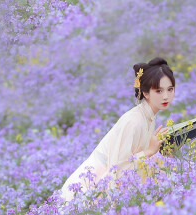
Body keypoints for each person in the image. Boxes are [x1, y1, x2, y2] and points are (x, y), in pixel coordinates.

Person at [60, 57, 176, 204]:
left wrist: (160, 148)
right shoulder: (134, 121)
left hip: (107, 176)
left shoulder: (148, 116)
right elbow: (118, 168)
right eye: (159, 90)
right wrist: (149, 152)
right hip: (94, 183)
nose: (166, 96)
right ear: (146, 93)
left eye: (170, 89)